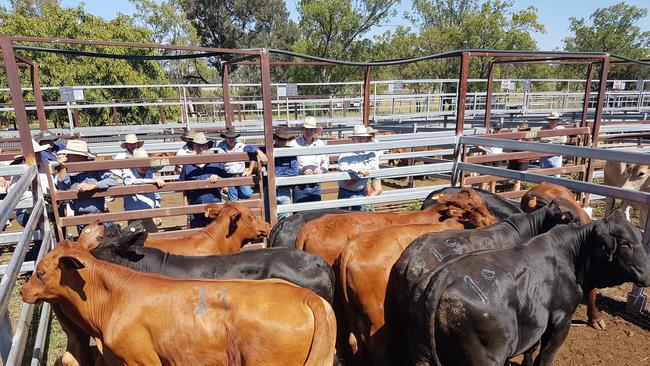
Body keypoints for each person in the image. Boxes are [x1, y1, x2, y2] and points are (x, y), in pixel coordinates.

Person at [52, 140, 120, 234]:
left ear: (82, 156)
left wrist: (94, 185)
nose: (69, 157)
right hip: (80, 216)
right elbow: (63, 186)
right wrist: (62, 168)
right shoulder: (67, 168)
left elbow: (112, 180)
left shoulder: (94, 167)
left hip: (97, 214)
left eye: (72, 155)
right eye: (69, 154)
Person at [178, 132, 227, 228]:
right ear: (193, 147)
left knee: (215, 232)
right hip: (195, 206)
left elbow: (226, 185)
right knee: (197, 234)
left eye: (203, 146)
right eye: (198, 146)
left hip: (214, 205)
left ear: (207, 147)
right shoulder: (187, 165)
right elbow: (184, 186)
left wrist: (219, 179)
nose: (201, 149)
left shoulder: (216, 163)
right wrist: (185, 205)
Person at [216, 127, 267, 201]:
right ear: (225, 138)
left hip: (241, 175)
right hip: (228, 175)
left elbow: (251, 150)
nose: (231, 139)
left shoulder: (240, 146)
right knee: (234, 201)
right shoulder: (221, 148)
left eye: (233, 137)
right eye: (229, 137)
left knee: (248, 194)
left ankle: (234, 194)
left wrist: (249, 169)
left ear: (235, 138)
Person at [337, 125, 379, 211]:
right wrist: (358, 169)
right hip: (345, 191)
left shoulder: (369, 152)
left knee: (358, 218)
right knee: (343, 218)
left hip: (360, 192)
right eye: (358, 138)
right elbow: (342, 165)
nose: (361, 140)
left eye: (363, 138)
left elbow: (373, 166)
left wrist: (357, 169)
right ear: (353, 139)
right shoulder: (346, 152)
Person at [123, 148, 165, 233]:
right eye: (141, 164)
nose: (144, 167)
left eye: (145, 164)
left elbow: (156, 195)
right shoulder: (127, 172)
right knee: (135, 240)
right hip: (134, 216)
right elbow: (129, 183)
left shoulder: (149, 173)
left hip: (149, 214)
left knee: (153, 239)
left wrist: (157, 213)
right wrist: (150, 181)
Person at [288, 116, 329, 203]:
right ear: (303, 130)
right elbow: (290, 165)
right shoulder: (294, 144)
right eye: (307, 129)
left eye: (311, 129)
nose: (309, 132)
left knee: (316, 214)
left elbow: (325, 162)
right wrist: (301, 171)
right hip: (299, 185)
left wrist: (321, 170)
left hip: (316, 185)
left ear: (314, 131)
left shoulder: (320, 144)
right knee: (299, 214)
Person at [272, 126, 299, 220]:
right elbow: (249, 148)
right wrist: (258, 151)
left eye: (285, 140)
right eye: (280, 139)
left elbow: (294, 172)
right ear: (275, 139)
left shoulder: (290, 151)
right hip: (270, 190)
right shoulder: (268, 150)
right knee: (269, 218)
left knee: (283, 220)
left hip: (284, 190)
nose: (283, 142)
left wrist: (274, 175)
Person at [539, 111, 567, 177]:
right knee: (544, 176)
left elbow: (563, 139)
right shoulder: (543, 129)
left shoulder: (562, 129)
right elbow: (542, 139)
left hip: (557, 156)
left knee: (556, 176)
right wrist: (556, 139)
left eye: (554, 120)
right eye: (550, 120)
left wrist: (549, 140)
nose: (552, 121)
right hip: (545, 156)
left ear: (557, 121)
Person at [507, 122, 533, 191]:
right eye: (520, 130)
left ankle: (515, 195)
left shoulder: (529, 138)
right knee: (512, 179)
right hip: (514, 160)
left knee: (517, 181)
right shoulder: (516, 137)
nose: (521, 131)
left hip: (523, 161)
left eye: (523, 130)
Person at [364, 127, 383, 200]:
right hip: (367, 170)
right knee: (368, 191)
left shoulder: (377, 143)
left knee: (378, 190)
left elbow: (381, 152)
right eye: (370, 134)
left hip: (375, 169)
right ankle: (367, 207)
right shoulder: (363, 145)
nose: (372, 136)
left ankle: (366, 204)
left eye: (373, 134)